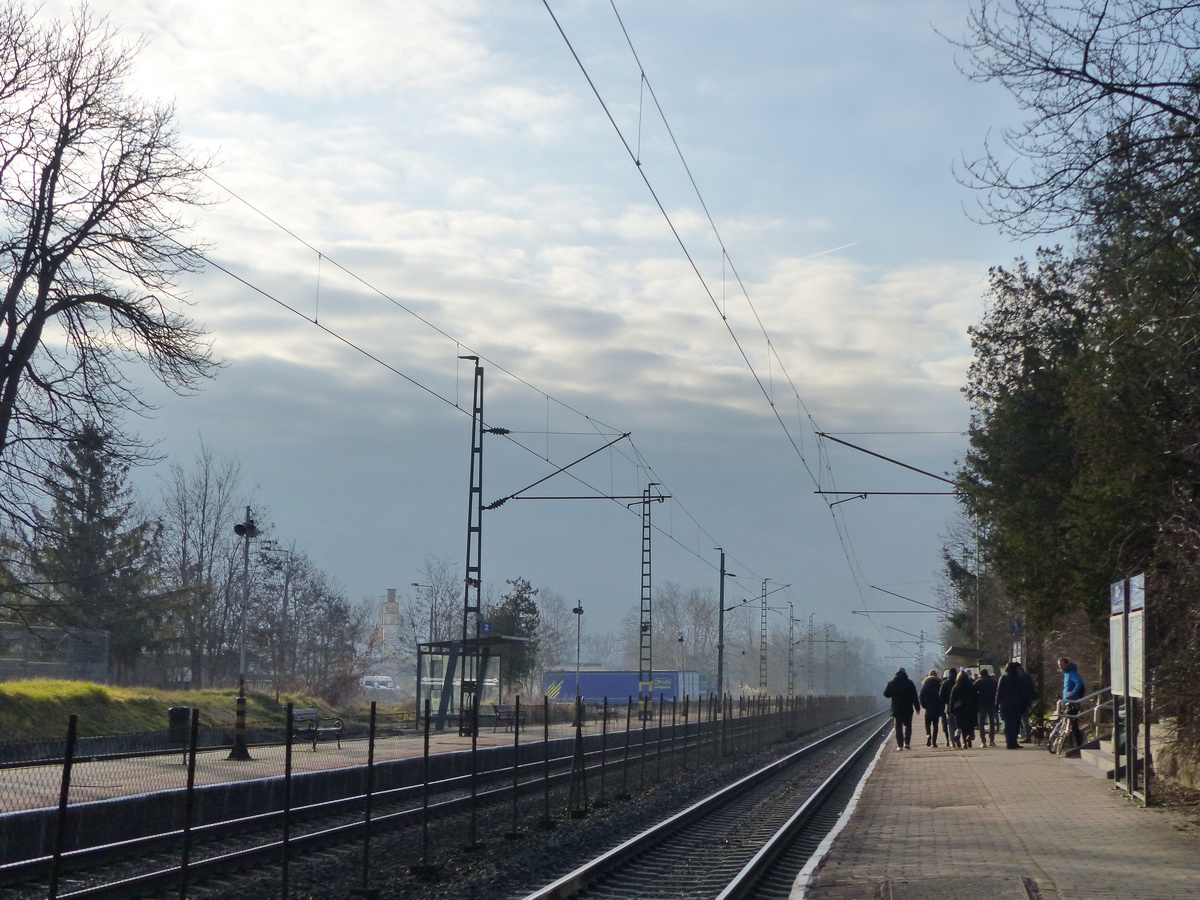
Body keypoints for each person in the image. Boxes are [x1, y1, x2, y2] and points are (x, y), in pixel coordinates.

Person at [883, 667, 921, 750]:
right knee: (908, 726)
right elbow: (915, 696)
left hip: (897, 709)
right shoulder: (910, 683)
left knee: (898, 727)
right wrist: (917, 708)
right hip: (908, 708)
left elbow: (886, 694)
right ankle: (907, 743)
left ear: (896, 674)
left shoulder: (892, 683)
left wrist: (893, 693)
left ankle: (900, 745)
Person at [995, 661, 1029, 749]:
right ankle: (1014, 741)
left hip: (1006, 704)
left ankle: (1009, 742)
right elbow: (1023, 692)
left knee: (1008, 724)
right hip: (1017, 704)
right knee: (1016, 723)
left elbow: (999, 692)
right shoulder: (1019, 678)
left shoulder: (1003, 677)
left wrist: (997, 703)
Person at [1058, 657, 1086, 747]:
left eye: (1061, 664)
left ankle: (1078, 744)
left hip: (1072, 702)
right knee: (1068, 723)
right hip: (1067, 701)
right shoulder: (1067, 674)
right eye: (1059, 665)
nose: (1060, 667)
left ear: (1066, 664)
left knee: (1074, 724)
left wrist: (1073, 692)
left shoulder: (1071, 673)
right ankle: (1072, 742)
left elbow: (1079, 682)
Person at [949, 669, 978, 748]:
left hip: (959, 710)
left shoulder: (955, 687)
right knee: (970, 726)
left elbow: (952, 700)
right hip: (970, 709)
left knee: (960, 726)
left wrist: (951, 710)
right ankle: (969, 737)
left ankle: (960, 738)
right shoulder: (971, 686)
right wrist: (976, 708)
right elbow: (976, 698)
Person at [918, 669, 944, 747]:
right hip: (937, 708)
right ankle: (934, 742)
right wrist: (941, 706)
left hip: (928, 707)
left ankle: (928, 735)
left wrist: (924, 705)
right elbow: (942, 696)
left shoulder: (926, 685)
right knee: (935, 725)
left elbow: (921, 696)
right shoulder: (939, 685)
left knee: (927, 723)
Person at [975, 667, 999, 747]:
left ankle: (983, 741)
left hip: (981, 704)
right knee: (991, 723)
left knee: (981, 723)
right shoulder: (993, 682)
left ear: (981, 675)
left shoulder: (978, 682)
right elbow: (997, 692)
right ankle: (991, 740)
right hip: (991, 704)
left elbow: (973, 692)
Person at [939, 667, 960, 748]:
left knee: (950, 725)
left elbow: (940, 695)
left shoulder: (945, 683)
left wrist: (945, 702)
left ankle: (952, 741)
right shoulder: (958, 682)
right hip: (958, 707)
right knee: (958, 724)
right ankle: (957, 734)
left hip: (948, 706)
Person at [1017, 662, 1037, 742]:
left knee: (1023, 719)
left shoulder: (1020, 678)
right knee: (1024, 719)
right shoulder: (1027, 677)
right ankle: (1027, 734)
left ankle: (1027, 736)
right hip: (1027, 700)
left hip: (1021, 700)